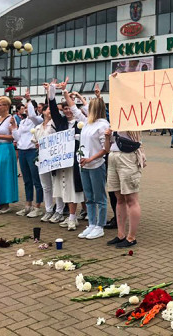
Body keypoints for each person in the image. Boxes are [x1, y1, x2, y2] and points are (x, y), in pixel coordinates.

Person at [47, 79, 86, 230]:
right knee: (63, 189)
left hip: (75, 162)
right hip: (62, 161)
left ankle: (72, 217)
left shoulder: (81, 122)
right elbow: (52, 106)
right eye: (65, 109)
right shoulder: (61, 122)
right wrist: (52, 90)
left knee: (72, 189)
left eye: (70, 108)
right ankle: (72, 216)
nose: (68, 111)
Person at [77, 98, 110, 240]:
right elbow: (74, 109)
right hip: (83, 164)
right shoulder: (87, 123)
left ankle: (100, 225)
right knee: (88, 196)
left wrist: (91, 158)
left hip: (96, 165)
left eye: (89, 107)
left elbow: (105, 149)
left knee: (99, 197)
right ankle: (91, 223)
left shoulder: (102, 125)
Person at [13, 90, 44, 218]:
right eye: (24, 108)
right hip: (23, 151)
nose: (25, 109)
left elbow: (31, 115)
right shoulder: (24, 121)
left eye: (27, 107)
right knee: (27, 180)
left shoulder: (37, 119)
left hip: (32, 151)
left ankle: (38, 206)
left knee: (36, 179)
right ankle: (28, 205)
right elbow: (18, 136)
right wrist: (13, 128)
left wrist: (29, 100)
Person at [32, 103, 57, 222]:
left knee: (56, 185)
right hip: (42, 159)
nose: (50, 111)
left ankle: (59, 211)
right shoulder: (38, 127)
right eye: (48, 109)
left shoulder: (55, 125)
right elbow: (35, 141)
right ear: (43, 112)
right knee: (46, 186)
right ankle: (48, 210)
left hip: (54, 159)